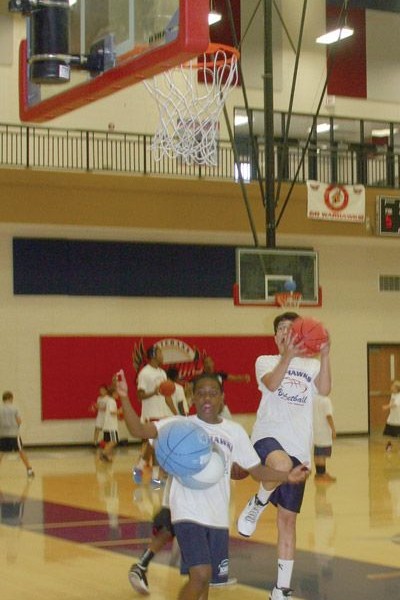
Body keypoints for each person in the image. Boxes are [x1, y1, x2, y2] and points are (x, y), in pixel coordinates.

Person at [115, 369, 309, 600]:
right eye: (201, 393)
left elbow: (256, 471)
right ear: (193, 398)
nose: (207, 398)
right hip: (187, 512)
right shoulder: (179, 425)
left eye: (213, 393)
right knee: (200, 574)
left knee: (205, 583)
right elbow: (138, 430)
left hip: (217, 516)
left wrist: (287, 477)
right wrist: (124, 397)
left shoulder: (234, 432)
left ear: (222, 398)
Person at [237, 311, 331, 600]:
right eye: (280, 328)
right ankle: (258, 502)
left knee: (288, 521)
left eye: (291, 327)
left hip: (299, 447)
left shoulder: (312, 365)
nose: (285, 331)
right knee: (280, 464)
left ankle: (281, 589)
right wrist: (287, 357)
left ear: (300, 333)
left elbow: (325, 389)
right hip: (267, 437)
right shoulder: (265, 361)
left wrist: (325, 354)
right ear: (275, 336)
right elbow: (273, 384)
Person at [134, 345, 176, 484]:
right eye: (160, 353)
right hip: (150, 413)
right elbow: (139, 396)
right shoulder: (144, 373)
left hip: (161, 413)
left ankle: (140, 467)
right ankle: (155, 476)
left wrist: (176, 413)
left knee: (154, 445)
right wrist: (154, 391)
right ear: (153, 355)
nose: (162, 356)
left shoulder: (162, 373)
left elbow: (167, 396)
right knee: (155, 445)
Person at [0, 391, 34, 478]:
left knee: (1, 452)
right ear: (11, 398)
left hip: (2, 435)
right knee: (21, 451)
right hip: (14, 435)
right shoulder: (15, 408)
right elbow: (19, 421)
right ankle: (29, 470)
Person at [313, 394, 336, 482]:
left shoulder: (314, 399)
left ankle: (318, 474)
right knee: (323, 454)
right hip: (324, 431)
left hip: (315, 430)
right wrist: (333, 429)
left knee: (317, 452)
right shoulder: (326, 400)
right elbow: (328, 415)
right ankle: (322, 474)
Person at [99, 386, 119, 462]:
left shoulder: (109, 401)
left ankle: (106, 456)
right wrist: (120, 411)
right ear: (113, 394)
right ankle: (103, 453)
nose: (118, 395)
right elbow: (112, 412)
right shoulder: (112, 401)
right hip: (111, 426)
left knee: (108, 442)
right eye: (117, 393)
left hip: (107, 425)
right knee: (114, 441)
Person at [382, 379, 400, 451]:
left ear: (397, 388)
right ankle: (389, 446)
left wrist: (386, 407)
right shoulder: (393, 395)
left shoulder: (399, 396)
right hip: (392, 418)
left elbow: (395, 404)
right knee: (388, 434)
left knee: (397, 435)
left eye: (393, 386)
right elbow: (391, 403)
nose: (391, 387)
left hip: (398, 419)